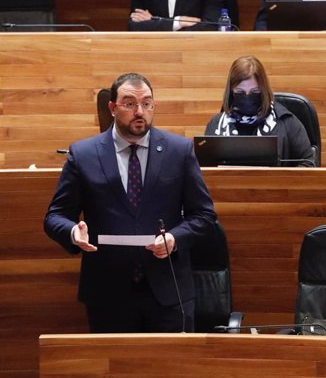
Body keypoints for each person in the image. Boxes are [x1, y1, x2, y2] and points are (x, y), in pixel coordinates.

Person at [44, 73, 217, 333]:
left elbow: (204, 215)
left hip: (168, 291)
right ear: (112, 108)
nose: (140, 111)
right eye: (129, 104)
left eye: (147, 104)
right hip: (108, 292)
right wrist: (73, 232)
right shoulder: (84, 154)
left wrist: (175, 238)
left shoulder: (178, 151)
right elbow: (54, 216)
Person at [205, 55, 315, 167]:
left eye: (255, 91)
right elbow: (204, 169)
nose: (247, 97)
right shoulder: (216, 125)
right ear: (231, 91)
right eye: (240, 91)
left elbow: (309, 164)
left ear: (263, 90)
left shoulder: (286, 122)